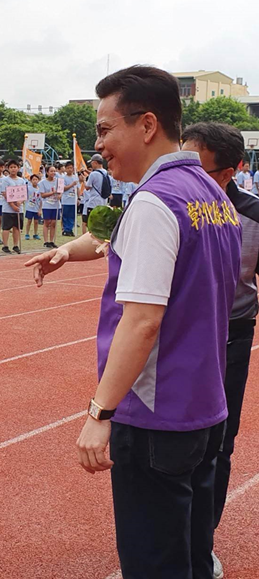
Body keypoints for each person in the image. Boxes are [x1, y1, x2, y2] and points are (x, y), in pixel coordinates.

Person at [26, 65, 242, 579]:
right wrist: (67, 251)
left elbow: (142, 322)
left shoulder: (155, 201)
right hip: (205, 404)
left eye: (104, 129)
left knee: (154, 561)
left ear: (146, 125)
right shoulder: (211, 195)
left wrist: (99, 413)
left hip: (157, 412)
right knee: (190, 553)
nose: (98, 144)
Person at [181, 122, 259, 579]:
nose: (187, 175)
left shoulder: (254, 215)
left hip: (231, 335)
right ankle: (166, 536)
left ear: (231, 171)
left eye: (200, 168)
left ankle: (200, 541)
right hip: (178, 336)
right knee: (166, 438)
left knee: (218, 443)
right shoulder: (172, 204)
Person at [0, 160, 26, 254]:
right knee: (6, 228)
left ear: (18, 168)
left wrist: (20, 202)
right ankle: (5, 245)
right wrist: (12, 205)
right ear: (8, 168)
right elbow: (5, 193)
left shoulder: (21, 180)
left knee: (17, 227)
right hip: (8, 208)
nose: (13, 169)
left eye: (15, 167)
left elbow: (24, 194)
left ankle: (16, 245)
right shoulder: (5, 180)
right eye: (11, 167)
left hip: (19, 209)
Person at [83, 153, 108, 231]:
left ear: (95, 163)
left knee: (91, 224)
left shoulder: (93, 174)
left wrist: (84, 180)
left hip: (93, 202)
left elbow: (87, 187)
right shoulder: (106, 173)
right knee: (100, 224)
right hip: (103, 201)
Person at [39, 166, 62, 248]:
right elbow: (42, 195)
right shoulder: (42, 183)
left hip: (56, 205)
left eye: (54, 171)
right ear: (47, 172)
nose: (53, 173)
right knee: (47, 223)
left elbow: (61, 191)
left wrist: (60, 195)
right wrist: (52, 193)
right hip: (47, 205)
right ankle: (46, 241)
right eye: (51, 171)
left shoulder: (58, 181)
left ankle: (52, 241)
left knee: (54, 223)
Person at [61, 162, 78, 236]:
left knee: (72, 216)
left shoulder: (75, 177)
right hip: (66, 200)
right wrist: (71, 185)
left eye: (71, 168)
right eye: (68, 168)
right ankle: (66, 229)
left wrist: (78, 198)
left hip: (73, 200)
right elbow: (63, 188)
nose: (70, 169)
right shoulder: (63, 178)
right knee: (65, 215)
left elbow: (78, 188)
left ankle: (70, 229)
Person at [24, 174, 42, 240]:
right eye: (33, 180)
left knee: (36, 221)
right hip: (29, 207)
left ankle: (35, 234)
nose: (35, 181)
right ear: (31, 181)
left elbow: (41, 200)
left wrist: (40, 209)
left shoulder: (40, 189)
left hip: (37, 208)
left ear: (38, 180)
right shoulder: (28, 188)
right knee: (29, 220)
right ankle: (27, 233)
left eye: (36, 179)